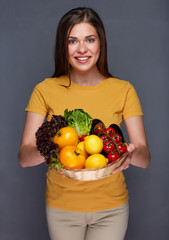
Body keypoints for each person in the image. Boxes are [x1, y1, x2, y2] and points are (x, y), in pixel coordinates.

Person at [18, 7, 151, 240]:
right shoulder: (44, 90)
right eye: (72, 41)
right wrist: (54, 150)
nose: (82, 49)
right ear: (63, 46)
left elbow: (145, 156)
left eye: (90, 39)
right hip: (62, 209)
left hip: (111, 208)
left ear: (101, 43)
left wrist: (130, 155)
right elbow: (24, 157)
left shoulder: (124, 90)